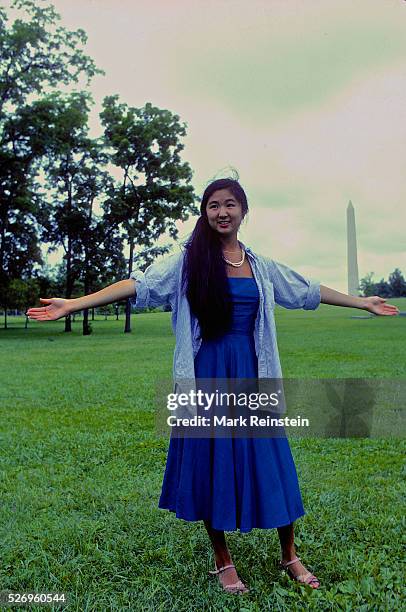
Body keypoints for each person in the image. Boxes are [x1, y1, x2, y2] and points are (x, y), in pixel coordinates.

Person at [26, 177, 399, 596]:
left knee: (272, 460)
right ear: (205, 212)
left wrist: (362, 301)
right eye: (213, 206)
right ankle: (222, 559)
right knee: (211, 461)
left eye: (230, 205)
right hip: (206, 374)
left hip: (253, 373)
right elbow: (140, 285)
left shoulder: (259, 265)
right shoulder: (189, 260)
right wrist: (74, 303)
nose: (222, 212)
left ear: (243, 211)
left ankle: (290, 555)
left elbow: (306, 290)